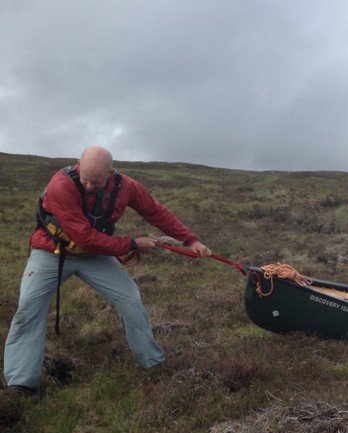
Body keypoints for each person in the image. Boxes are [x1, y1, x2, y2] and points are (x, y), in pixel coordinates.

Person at [3, 146, 211, 396]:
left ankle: (153, 364)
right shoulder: (61, 185)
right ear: (78, 164)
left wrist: (190, 240)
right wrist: (132, 245)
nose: (89, 186)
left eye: (97, 182)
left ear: (111, 173)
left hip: (96, 256)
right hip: (51, 252)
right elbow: (84, 237)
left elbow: (155, 211)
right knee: (28, 308)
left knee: (130, 299)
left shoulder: (127, 186)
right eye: (85, 179)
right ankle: (21, 384)